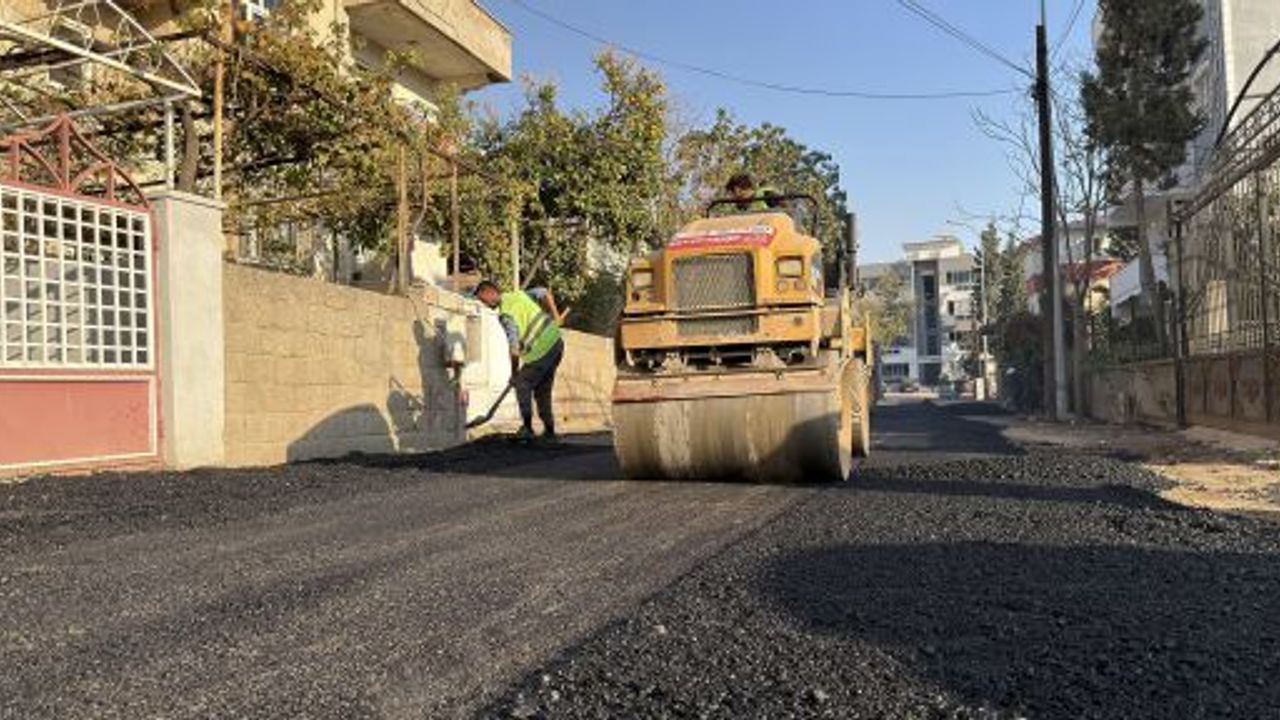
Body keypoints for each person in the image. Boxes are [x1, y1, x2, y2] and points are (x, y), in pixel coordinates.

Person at [474, 280, 565, 442]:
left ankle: (527, 428)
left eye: (483, 300)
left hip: (541, 350)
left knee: (522, 384)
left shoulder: (506, 314)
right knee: (542, 389)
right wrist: (556, 315)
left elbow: (514, 348)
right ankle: (549, 431)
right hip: (556, 343)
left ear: (490, 292)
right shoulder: (519, 295)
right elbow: (544, 292)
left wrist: (515, 374)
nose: (485, 305)